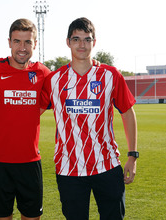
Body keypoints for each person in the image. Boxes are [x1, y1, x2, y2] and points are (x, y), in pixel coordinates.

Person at [40, 17, 138, 220]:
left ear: (94, 42)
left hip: (107, 165)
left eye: (87, 39)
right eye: (76, 39)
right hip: (69, 168)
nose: (82, 44)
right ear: (68, 42)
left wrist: (132, 155)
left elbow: (127, 112)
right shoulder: (54, 80)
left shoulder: (110, 75)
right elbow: (31, 110)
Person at [0, 18, 51, 220]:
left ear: (35, 44)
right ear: (9, 42)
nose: (22, 47)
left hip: (30, 162)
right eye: (17, 41)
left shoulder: (43, 73)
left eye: (28, 42)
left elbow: (54, 95)